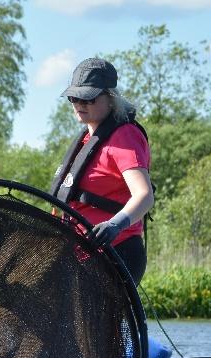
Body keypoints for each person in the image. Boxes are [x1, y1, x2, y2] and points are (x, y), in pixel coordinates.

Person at [50, 57, 154, 286]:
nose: (79, 103)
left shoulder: (124, 136)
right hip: (80, 256)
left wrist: (115, 225)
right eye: (73, 97)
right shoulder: (88, 140)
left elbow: (144, 195)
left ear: (110, 97)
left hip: (116, 253)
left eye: (88, 97)